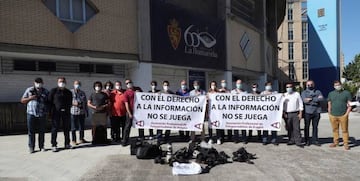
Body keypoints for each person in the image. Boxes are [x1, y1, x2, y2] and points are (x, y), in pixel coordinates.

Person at [21, 77, 49, 153]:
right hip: (31, 113)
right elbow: (22, 100)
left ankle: (41, 146)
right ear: (34, 83)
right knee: (31, 131)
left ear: (42, 83)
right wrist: (30, 98)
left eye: (40, 82)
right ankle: (31, 147)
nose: (38, 84)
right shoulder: (29, 90)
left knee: (42, 131)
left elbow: (48, 102)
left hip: (42, 114)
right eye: (37, 82)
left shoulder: (46, 91)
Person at [48, 77, 73, 152]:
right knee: (55, 129)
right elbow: (49, 102)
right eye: (60, 81)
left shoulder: (68, 92)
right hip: (56, 113)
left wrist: (66, 109)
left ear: (65, 83)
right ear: (57, 82)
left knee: (67, 128)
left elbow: (70, 103)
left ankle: (67, 143)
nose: (61, 83)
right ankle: (54, 145)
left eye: (63, 81)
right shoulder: (53, 91)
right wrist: (50, 112)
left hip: (66, 113)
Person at [327, 80, 352, 150]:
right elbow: (329, 103)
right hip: (333, 115)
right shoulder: (331, 93)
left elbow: (350, 104)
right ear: (334, 86)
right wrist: (329, 112)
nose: (337, 86)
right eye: (336, 85)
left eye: (338, 85)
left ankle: (346, 143)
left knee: (345, 130)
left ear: (341, 85)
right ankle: (336, 142)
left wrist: (347, 114)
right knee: (335, 129)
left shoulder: (347, 93)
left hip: (343, 115)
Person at [301, 80, 324, 146]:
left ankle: (315, 140)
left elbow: (321, 99)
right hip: (307, 112)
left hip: (317, 112)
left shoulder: (318, 91)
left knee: (315, 127)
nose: (310, 85)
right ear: (306, 85)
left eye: (311, 84)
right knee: (306, 127)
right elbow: (305, 101)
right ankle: (307, 140)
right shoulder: (304, 92)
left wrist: (311, 99)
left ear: (314, 85)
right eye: (308, 84)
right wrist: (316, 99)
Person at [283, 82, 304, 148]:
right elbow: (282, 105)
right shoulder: (284, 95)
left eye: (290, 87)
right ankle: (291, 140)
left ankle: (298, 141)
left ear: (292, 87)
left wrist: (300, 113)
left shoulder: (296, 94)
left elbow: (300, 103)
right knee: (289, 128)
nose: (288, 88)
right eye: (287, 87)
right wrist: (284, 113)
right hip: (287, 114)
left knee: (296, 128)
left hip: (295, 113)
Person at [122, 79, 143, 146]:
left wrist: (139, 92)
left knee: (140, 126)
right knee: (127, 127)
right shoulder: (126, 93)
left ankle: (141, 138)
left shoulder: (138, 88)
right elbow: (126, 104)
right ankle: (125, 140)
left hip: (138, 111)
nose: (129, 84)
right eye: (127, 83)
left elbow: (144, 97)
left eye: (130, 82)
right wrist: (129, 113)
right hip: (130, 112)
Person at [70, 80, 89, 147]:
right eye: (76, 84)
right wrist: (74, 104)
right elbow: (68, 101)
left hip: (81, 112)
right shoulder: (71, 92)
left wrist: (86, 111)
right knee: (73, 127)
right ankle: (73, 140)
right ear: (73, 84)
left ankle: (81, 138)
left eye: (78, 84)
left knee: (82, 126)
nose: (77, 85)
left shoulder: (82, 93)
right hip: (73, 112)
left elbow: (85, 102)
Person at [230, 79, 247, 143]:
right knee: (235, 126)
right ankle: (236, 139)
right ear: (236, 84)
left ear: (242, 84)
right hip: (235, 112)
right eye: (238, 83)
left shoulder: (245, 92)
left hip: (242, 112)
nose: (239, 85)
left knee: (243, 126)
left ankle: (244, 139)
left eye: (240, 83)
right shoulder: (232, 92)